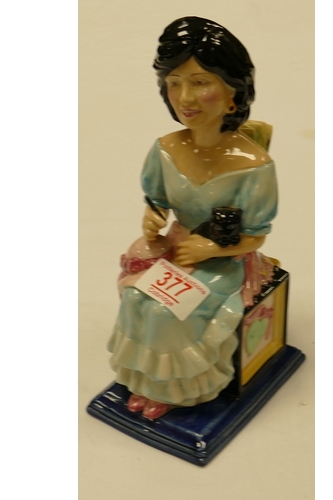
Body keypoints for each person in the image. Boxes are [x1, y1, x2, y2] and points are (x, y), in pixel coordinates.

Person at [107, 17, 278, 419]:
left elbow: (256, 235)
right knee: (137, 297)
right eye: (175, 83)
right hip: (176, 249)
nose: (185, 97)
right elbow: (157, 200)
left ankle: (179, 391)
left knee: (167, 309)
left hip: (223, 261)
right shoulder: (165, 149)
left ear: (233, 92)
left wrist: (211, 248)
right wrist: (154, 217)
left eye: (200, 82)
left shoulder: (254, 165)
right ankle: (145, 381)